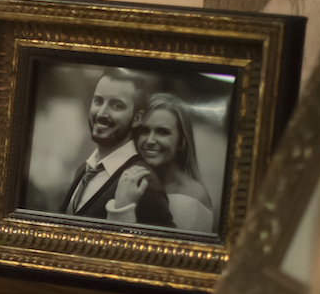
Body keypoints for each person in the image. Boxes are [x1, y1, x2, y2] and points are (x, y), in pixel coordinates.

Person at [57, 71, 172, 226]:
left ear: (137, 118)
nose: (102, 113)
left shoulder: (144, 183)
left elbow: (161, 247)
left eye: (117, 105)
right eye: (98, 101)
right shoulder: (85, 169)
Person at [106, 94, 215, 232]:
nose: (150, 140)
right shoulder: (138, 181)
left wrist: (123, 208)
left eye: (162, 132)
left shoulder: (190, 200)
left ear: (181, 142)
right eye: (144, 131)